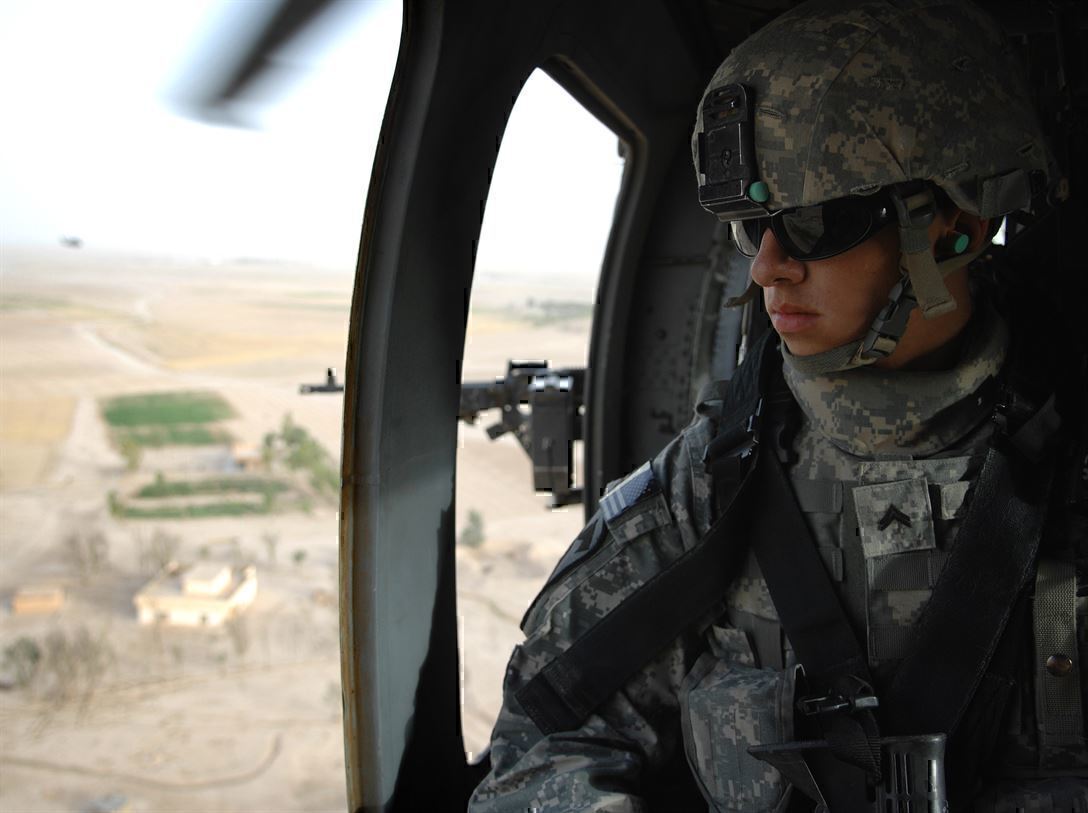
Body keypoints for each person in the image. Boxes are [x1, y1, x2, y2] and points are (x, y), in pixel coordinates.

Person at [469, 0, 1086, 809]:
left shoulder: (1068, 464)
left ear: (957, 226)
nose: (767, 267)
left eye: (815, 222)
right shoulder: (710, 489)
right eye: (751, 223)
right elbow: (542, 738)